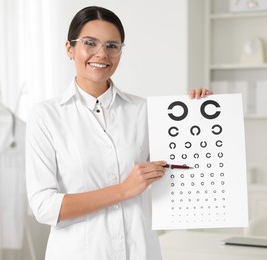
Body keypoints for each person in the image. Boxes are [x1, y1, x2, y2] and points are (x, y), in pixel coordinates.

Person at [25, 6, 211, 260]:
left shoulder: (144, 111)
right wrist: (124, 190)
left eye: (112, 46)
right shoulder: (46, 116)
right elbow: (44, 207)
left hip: (139, 251)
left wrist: (200, 113)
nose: (101, 54)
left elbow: (186, 168)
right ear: (70, 48)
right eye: (90, 43)